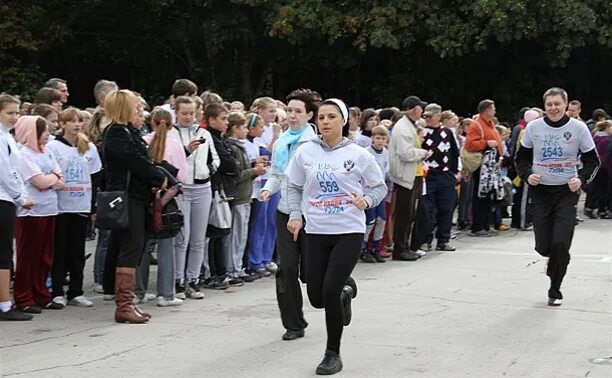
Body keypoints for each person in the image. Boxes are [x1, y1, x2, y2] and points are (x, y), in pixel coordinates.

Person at [285, 98, 387, 375]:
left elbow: (379, 187)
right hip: (316, 230)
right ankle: (346, 291)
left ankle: (332, 354)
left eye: (331, 117)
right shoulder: (306, 152)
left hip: (348, 230)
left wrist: (366, 201)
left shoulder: (359, 154)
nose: (325, 122)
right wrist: (295, 214)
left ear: (344, 120)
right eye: (321, 117)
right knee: (317, 297)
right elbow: (292, 185)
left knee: (328, 291)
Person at [515, 87, 600, 306]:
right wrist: (527, 175)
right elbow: (521, 159)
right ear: (544, 106)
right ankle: (554, 260)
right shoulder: (534, 128)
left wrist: (581, 179)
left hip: (566, 192)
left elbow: (593, 161)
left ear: (565, 104)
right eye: (549, 104)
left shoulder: (578, 128)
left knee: (561, 244)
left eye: (557, 104)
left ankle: (555, 289)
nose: (553, 108)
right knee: (544, 247)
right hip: (541, 191)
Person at [101, 89, 167, 323]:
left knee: (134, 248)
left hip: (136, 198)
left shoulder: (126, 132)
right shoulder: (118, 133)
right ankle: (124, 305)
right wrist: (160, 178)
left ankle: (126, 304)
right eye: (136, 107)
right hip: (128, 199)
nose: (141, 111)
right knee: (130, 249)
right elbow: (138, 164)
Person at [260, 88, 319, 341]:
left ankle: (340, 289)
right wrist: (266, 189)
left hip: (311, 215)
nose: (292, 116)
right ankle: (294, 323)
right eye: (290, 111)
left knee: (313, 271)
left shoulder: (314, 143)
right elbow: (277, 173)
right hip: (284, 212)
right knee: (285, 269)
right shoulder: (283, 140)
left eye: (298, 112)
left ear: (309, 115)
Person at [47, 108, 102, 308]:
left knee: (77, 250)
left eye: (79, 121)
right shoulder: (53, 147)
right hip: (61, 205)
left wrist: (93, 204)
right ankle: (57, 290)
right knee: (60, 249)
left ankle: (76, 291)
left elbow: (96, 177)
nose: (77, 125)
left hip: (81, 204)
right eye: (72, 121)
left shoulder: (88, 147)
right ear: (63, 124)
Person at [14, 115, 65, 313]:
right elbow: (40, 182)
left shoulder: (47, 152)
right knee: (29, 256)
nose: (47, 135)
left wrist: (50, 180)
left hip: (49, 209)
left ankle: (41, 294)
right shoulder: (25, 154)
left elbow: (61, 177)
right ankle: (24, 297)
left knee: (45, 256)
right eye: (42, 131)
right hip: (31, 213)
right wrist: (52, 180)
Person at [138, 109, 188, 307]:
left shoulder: (142, 141)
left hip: (145, 200)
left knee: (143, 247)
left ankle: (138, 291)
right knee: (167, 247)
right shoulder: (175, 145)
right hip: (167, 202)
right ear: (170, 124)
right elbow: (182, 177)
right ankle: (166, 294)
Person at [171, 96, 219, 299]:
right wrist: (187, 151)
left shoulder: (204, 133)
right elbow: (168, 159)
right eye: (184, 113)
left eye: (192, 113)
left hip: (202, 187)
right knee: (182, 237)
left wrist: (209, 169)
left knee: (199, 239)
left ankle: (193, 279)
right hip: (182, 188)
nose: (188, 117)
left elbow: (215, 158)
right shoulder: (171, 134)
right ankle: (178, 280)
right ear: (176, 112)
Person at [0, 94, 34, 321]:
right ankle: (4, 304)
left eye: (17, 112)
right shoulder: (2, 139)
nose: (15, 117)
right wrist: (21, 197)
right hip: (3, 198)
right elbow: (5, 171)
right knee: (3, 254)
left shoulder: (7, 137)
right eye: (10, 113)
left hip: (7, 197)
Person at [224, 112, 267, 282]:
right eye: (243, 127)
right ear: (235, 129)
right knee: (235, 236)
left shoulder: (238, 146)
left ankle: (237, 267)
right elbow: (236, 174)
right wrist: (254, 171)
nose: (245, 130)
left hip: (246, 195)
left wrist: (253, 167)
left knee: (241, 235)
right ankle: (232, 269)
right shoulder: (233, 147)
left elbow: (242, 170)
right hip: (239, 196)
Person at [388, 95, 430, 261]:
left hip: (412, 174)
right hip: (404, 176)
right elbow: (405, 153)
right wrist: (423, 153)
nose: (423, 110)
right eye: (421, 107)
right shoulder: (403, 127)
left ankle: (404, 246)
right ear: (415, 109)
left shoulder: (409, 125)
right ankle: (400, 249)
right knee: (404, 214)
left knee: (409, 213)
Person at [420, 103, 460, 251]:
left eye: (431, 116)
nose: (428, 119)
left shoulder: (447, 133)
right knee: (428, 209)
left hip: (445, 174)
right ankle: (426, 239)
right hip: (429, 175)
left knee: (446, 207)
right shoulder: (422, 132)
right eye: (426, 116)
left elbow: (455, 154)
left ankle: (443, 239)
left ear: (438, 116)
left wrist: (455, 172)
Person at [464, 99, 504, 237]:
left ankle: (486, 225)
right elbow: (469, 144)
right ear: (486, 110)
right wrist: (486, 143)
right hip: (482, 167)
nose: (494, 111)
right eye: (493, 109)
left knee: (487, 196)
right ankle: (478, 226)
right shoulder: (477, 125)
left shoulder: (490, 124)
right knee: (480, 195)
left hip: (491, 167)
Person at [360, 125, 390, 263]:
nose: (380, 141)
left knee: (381, 219)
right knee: (369, 221)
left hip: (381, 192)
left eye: (383, 138)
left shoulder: (386, 153)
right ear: (372, 138)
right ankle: (363, 248)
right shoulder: (365, 153)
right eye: (377, 138)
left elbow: (386, 171)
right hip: (367, 191)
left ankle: (376, 247)